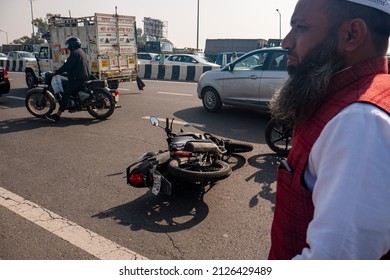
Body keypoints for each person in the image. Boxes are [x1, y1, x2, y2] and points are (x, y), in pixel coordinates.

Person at [268, 0, 390, 259]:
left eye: (300, 27)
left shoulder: (360, 123)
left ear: (351, 34)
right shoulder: (358, 96)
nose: (286, 42)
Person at [46, 36, 90, 123]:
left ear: (73, 45)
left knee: (66, 94)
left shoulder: (74, 53)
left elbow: (67, 65)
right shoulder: (81, 52)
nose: (68, 47)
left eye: (69, 44)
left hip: (77, 78)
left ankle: (57, 115)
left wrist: (57, 72)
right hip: (83, 76)